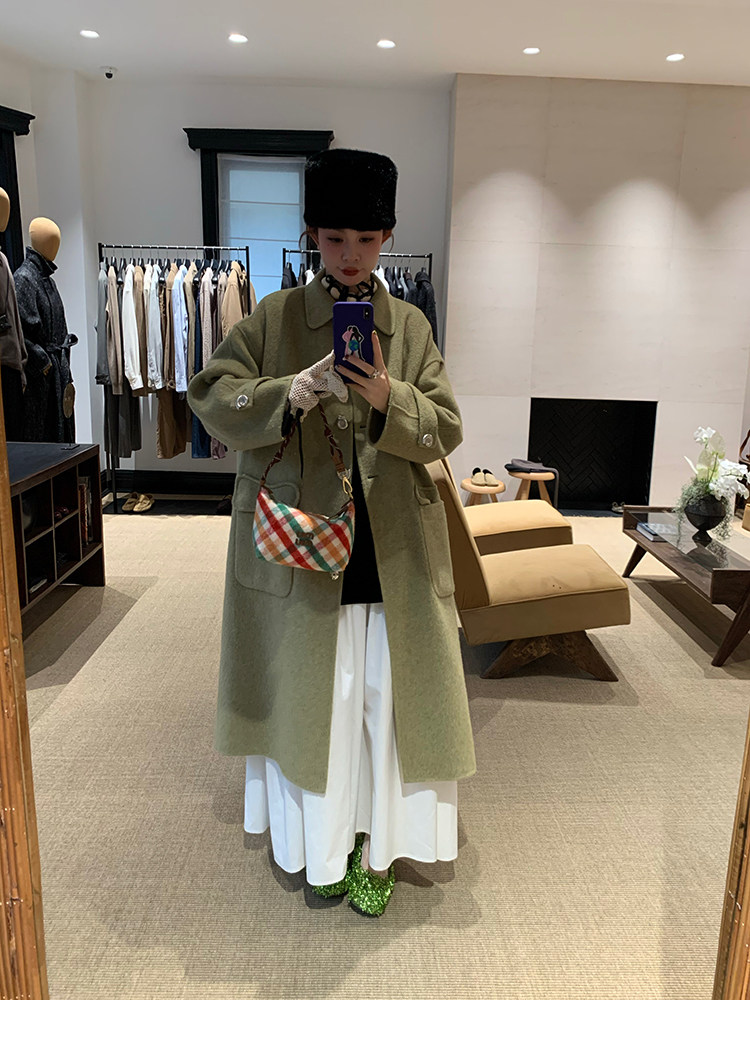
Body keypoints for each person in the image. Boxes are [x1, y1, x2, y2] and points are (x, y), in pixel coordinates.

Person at [187, 148, 475, 917]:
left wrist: (385, 394)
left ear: (387, 238)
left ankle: (379, 848)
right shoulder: (275, 317)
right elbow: (210, 395)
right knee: (321, 700)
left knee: (384, 701)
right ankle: (324, 846)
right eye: (335, 237)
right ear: (312, 233)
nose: (350, 254)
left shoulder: (408, 324)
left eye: (367, 239)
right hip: (302, 545)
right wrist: (295, 389)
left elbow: (446, 426)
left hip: (391, 547)